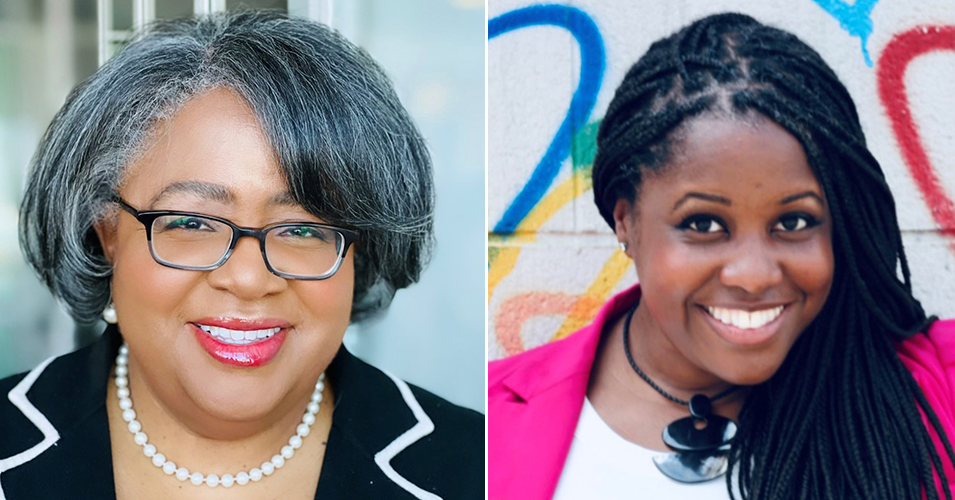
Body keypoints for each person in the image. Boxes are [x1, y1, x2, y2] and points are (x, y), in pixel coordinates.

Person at [0, 11, 482, 500]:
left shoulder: (478, 469)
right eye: (192, 223)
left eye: (300, 228)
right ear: (106, 233)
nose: (249, 279)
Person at [489, 12, 955, 500]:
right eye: (703, 225)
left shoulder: (928, 387)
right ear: (625, 221)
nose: (753, 276)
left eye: (793, 222)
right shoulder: (495, 419)